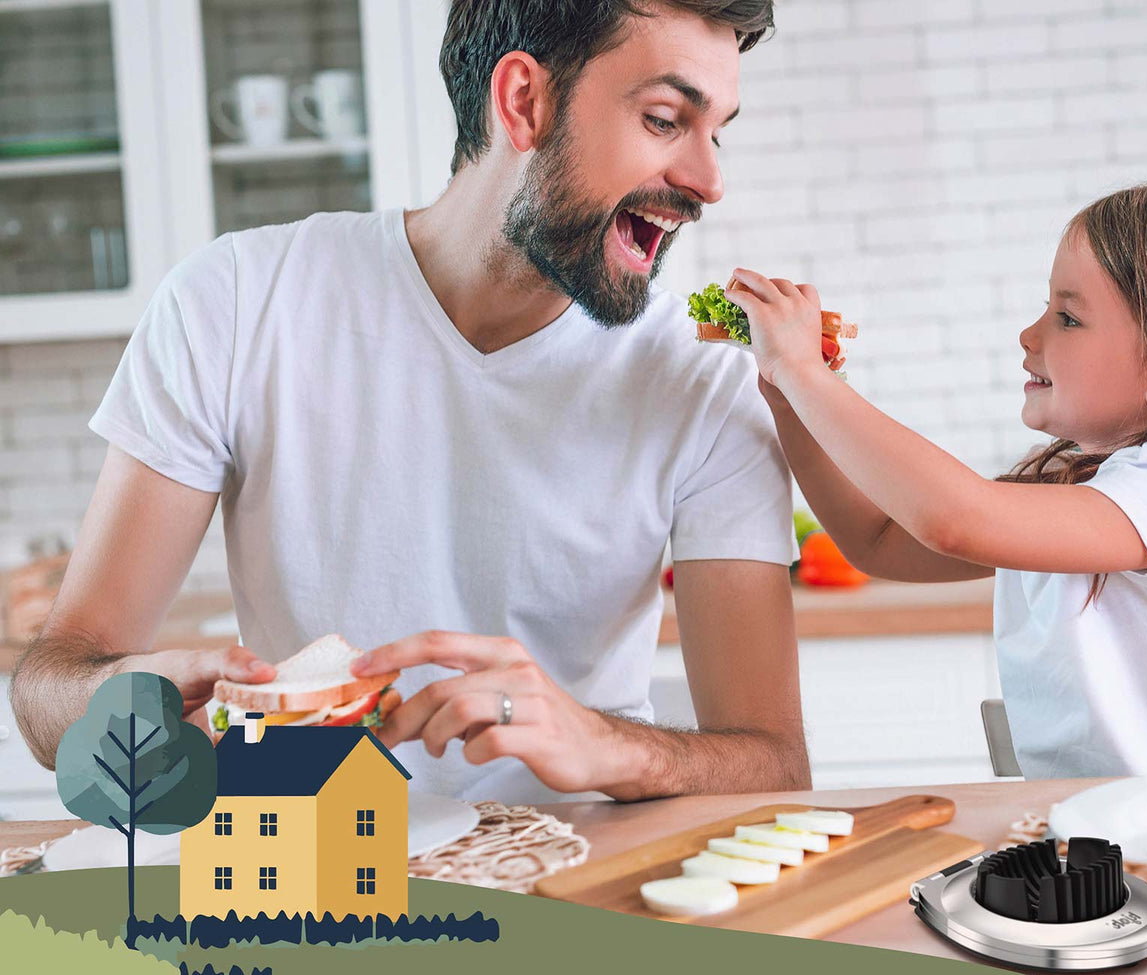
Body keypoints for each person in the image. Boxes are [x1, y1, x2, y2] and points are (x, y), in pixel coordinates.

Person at [13, 0, 812, 804]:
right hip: (310, 879)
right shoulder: (233, 304)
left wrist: (607, 744)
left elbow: (776, 765)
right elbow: (48, 698)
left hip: (582, 887)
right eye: (667, 120)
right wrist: (133, 698)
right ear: (523, 102)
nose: (710, 179)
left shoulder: (703, 377)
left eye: (718, 132)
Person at [728, 183, 1147, 779]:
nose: (1030, 336)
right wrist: (791, 402)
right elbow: (879, 540)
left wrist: (807, 374)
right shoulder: (1087, 491)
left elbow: (957, 520)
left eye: (1068, 318)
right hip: (1107, 846)